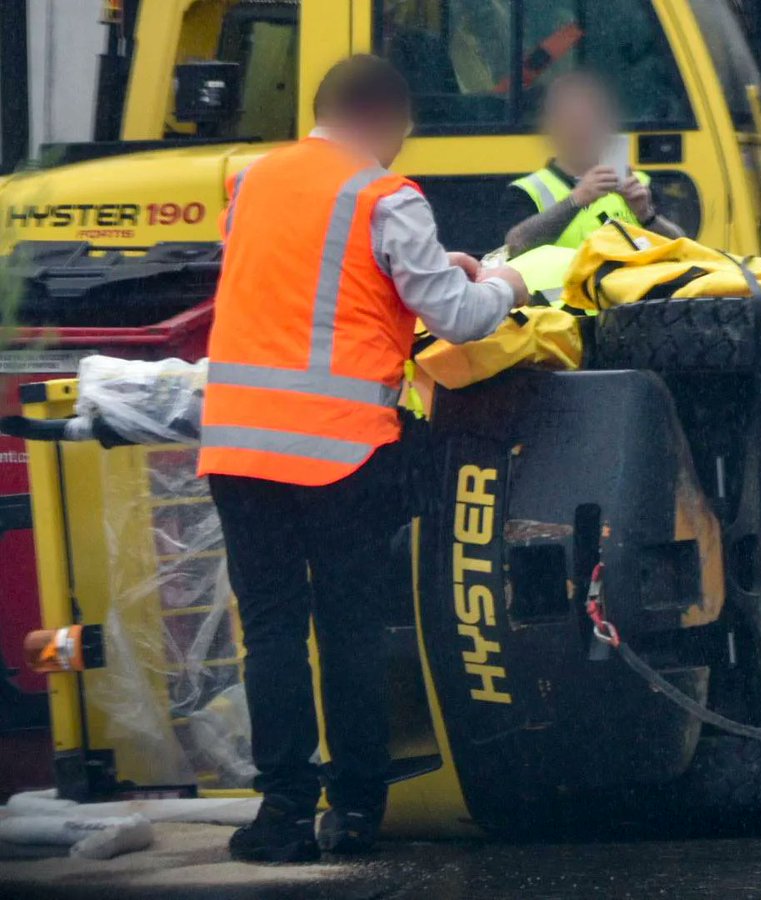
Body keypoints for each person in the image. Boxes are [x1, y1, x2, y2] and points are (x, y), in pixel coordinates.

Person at [197, 54, 528, 863]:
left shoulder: (250, 182)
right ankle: (353, 812)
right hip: (337, 450)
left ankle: (281, 814)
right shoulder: (385, 196)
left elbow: (307, 288)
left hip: (237, 444)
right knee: (349, 630)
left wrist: (431, 273)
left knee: (272, 631)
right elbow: (458, 319)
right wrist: (506, 285)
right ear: (383, 117)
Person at [502, 71, 685, 259]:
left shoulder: (639, 183)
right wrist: (575, 201)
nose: (584, 128)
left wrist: (647, 215)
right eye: (573, 119)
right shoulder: (529, 190)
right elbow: (514, 247)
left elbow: (683, 247)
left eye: (592, 118)